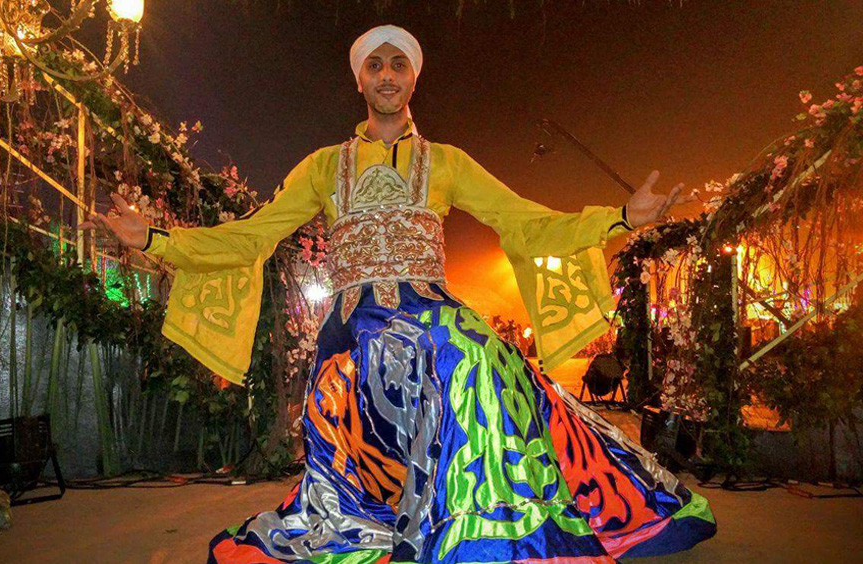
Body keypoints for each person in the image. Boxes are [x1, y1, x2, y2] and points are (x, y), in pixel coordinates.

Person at [81, 24, 715, 564]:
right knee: (439, 350)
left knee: (478, 349)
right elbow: (249, 239)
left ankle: (486, 525)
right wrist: (155, 240)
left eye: (400, 64)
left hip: (432, 313)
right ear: (359, 80)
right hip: (354, 327)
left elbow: (528, 223)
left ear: (415, 79)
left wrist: (624, 218)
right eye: (375, 65)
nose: (387, 75)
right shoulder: (323, 167)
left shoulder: (447, 162)